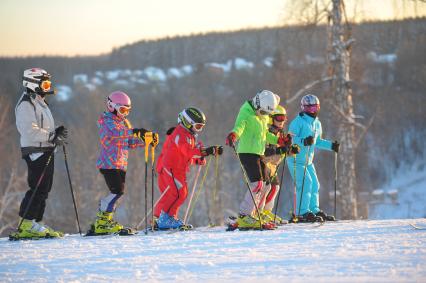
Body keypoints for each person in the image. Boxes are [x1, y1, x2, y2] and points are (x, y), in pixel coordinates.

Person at [89, 91, 157, 235]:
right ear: (111, 106)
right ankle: (102, 221)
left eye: (127, 110)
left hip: (120, 164)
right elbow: (115, 134)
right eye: (122, 110)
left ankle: (105, 221)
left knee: (118, 192)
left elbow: (128, 142)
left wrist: (145, 141)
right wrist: (136, 131)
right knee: (117, 191)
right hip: (109, 164)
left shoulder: (123, 123)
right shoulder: (106, 121)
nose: (124, 114)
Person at [11, 68, 68, 240]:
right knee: (38, 187)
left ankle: (35, 222)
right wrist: (51, 136)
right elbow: (30, 131)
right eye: (44, 84)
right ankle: (26, 223)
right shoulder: (26, 104)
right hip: (35, 151)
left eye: (48, 83)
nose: (47, 87)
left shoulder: (39, 101)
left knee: (45, 188)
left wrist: (55, 132)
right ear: (32, 84)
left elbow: (44, 127)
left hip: (45, 149)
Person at [225, 90, 293, 230]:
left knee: (266, 186)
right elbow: (240, 127)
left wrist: (279, 140)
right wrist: (234, 135)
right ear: (257, 104)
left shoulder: (261, 114)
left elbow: (265, 135)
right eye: (264, 112)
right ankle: (244, 215)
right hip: (247, 152)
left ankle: (256, 214)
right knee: (257, 184)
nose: (265, 116)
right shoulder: (246, 112)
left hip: (259, 152)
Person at [154, 107, 222, 230]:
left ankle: (169, 218)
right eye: (198, 126)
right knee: (178, 193)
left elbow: (187, 155)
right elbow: (187, 151)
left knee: (181, 194)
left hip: (179, 169)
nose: (199, 130)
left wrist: (199, 158)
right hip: (172, 168)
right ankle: (163, 219)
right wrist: (205, 152)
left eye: (201, 127)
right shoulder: (179, 133)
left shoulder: (189, 135)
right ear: (188, 122)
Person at [286, 94, 339, 222]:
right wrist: (303, 141)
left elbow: (317, 141)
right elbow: (289, 139)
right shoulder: (297, 122)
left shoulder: (317, 124)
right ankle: (301, 212)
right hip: (295, 160)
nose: (312, 111)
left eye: (315, 108)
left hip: (308, 161)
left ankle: (314, 210)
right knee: (305, 183)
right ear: (303, 108)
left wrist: (331, 145)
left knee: (315, 184)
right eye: (309, 108)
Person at [259, 105, 300, 225]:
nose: (282, 121)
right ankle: (259, 212)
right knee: (265, 189)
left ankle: (266, 212)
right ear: (271, 118)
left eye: (284, 119)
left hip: (273, 166)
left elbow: (283, 150)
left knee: (275, 188)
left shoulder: (280, 133)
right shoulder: (266, 132)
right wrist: (280, 150)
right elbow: (264, 151)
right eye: (279, 118)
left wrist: (291, 150)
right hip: (264, 164)